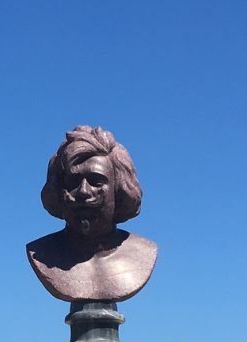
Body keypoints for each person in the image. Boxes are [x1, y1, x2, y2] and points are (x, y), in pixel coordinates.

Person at [26, 125, 158, 303]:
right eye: (72, 181)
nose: (83, 191)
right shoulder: (41, 252)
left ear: (119, 190)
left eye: (96, 181)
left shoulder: (144, 252)